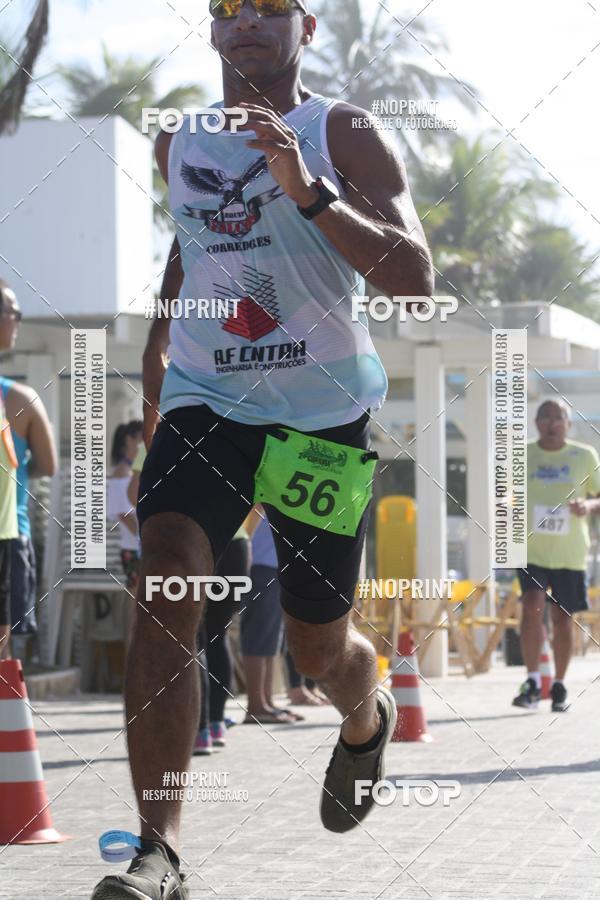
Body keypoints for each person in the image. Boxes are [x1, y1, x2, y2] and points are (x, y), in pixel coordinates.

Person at [92, 2, 432, 896]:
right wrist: (160, 351)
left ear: (305, 28)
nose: (246, 18)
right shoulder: (181, 142)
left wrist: (305, 186)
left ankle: (366, 714)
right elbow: (192, 250)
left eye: (269, 5)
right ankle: (158, 848)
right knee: (167, 575)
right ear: (210, 30)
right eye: (227, 6)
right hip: (210, 405)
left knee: (319, 651)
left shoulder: (341, 130)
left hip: (318, 417)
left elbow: (414, 276)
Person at [513, 399, 600, 712]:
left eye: (558, 417)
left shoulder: (584, 455)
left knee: (563, 620)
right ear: (536, 423)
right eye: (545, 417)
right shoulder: (522, 454)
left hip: (570, 551)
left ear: (568, 423)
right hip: (531, 549)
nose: (552, 423)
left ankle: (559, 684)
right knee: (532, 606)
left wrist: (588, 506)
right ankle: (533, 681)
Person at [0, 280, 57, 649]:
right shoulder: (21, 400)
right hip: (7, 531)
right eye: (13, 312)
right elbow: (48, 464)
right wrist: (16, 468)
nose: (19, 320)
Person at [195, 522, 253, 753]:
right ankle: (217, 724)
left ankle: (201, 731)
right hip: (238, 542)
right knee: (218, 636)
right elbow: (259, 505)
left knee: (194, 639)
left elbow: (133, 493)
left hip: (194, 538)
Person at [241, 506, 296, 724]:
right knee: (258, 635)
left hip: (274, 564)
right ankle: (255, 706)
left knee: (272, 638)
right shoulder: (262, 482)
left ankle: (266, 702)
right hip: (260, 565)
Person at [107, 421, 143, 593]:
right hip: (133, 547)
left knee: (139, 595)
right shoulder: (122, 472)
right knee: (135, 595)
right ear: (129, 440)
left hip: (136, 546)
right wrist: (142, 537)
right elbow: (122, 513)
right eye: (141, 439)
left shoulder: (131, 470)